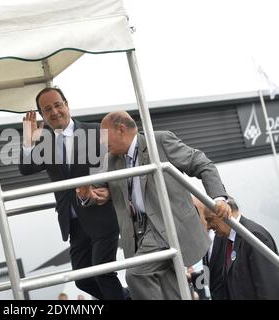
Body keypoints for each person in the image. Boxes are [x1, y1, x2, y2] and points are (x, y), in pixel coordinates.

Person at [77, 111, 231, 300]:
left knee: (136, 274)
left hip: (166, 227)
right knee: (171, 291)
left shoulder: (159, 141)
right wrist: (87, 195)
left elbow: (201, 163)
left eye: (104, 135)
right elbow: (97, 190)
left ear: (121, 129)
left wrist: (218, 198)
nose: (102, 142)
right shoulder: (111, 160)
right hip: (137, 234)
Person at [19, 87, 127, 300]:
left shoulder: (96, 132)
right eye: (47, 109)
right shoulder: (45, 142)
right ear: (42, 115)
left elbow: (120, 165)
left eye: (58, 105)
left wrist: (111, 191)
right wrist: (28, 141)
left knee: (103, 273)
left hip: (101, 215)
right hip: (74, 222)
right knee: (83, 279)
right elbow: (26, 168)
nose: (55, 112)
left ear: (67, 105)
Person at [203, 198, 279, 299]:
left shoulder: (254, 237)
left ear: (226, 212)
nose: (208, 226)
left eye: (210, 219)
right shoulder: (230, 240)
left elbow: (268, 290)